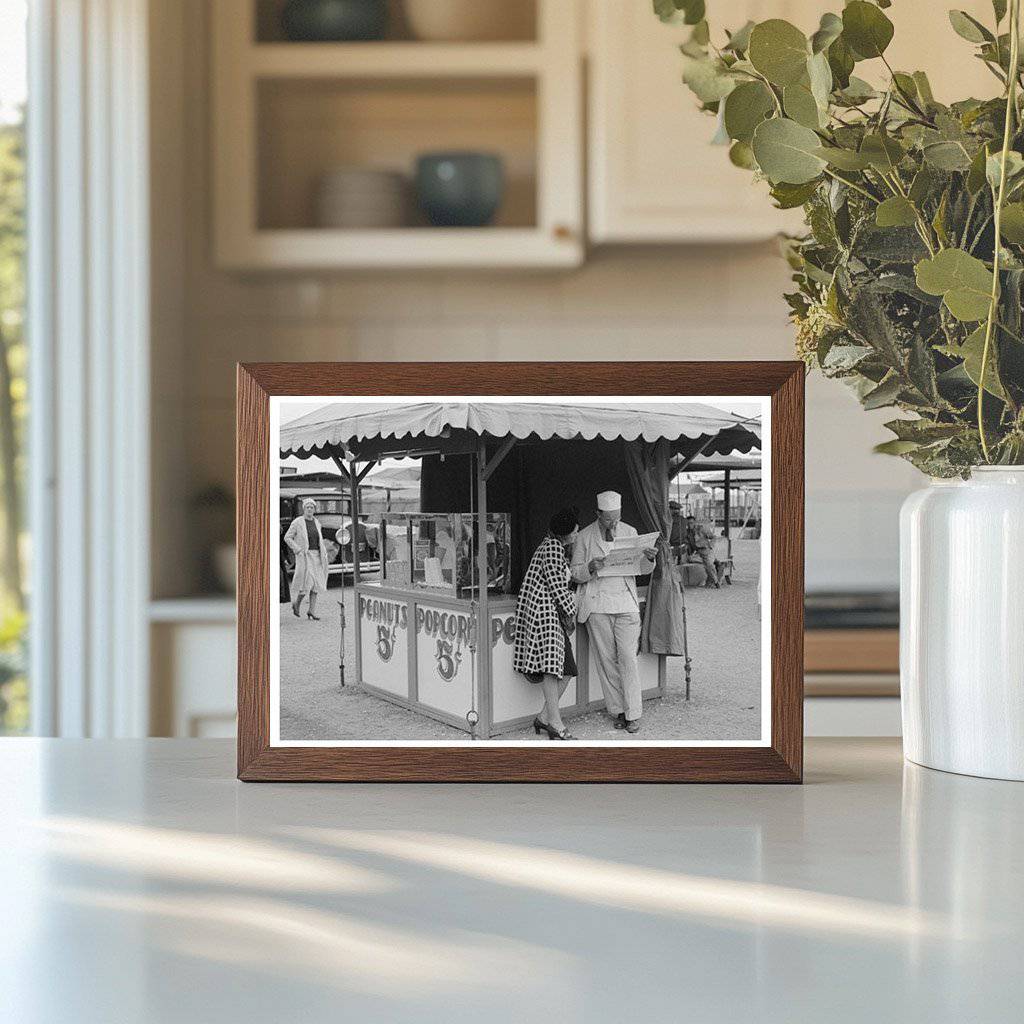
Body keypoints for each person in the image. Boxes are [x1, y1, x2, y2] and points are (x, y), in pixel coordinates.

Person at [570, 491, 657, 735]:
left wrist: (650, 559)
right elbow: (574, 573)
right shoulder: (585, 536)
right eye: (608, 519)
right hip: (598, 606)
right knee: (607, 660)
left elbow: (642, 569)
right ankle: (618, 710)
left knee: (628, 658)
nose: (613, 524)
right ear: (598, 514)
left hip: (626, 604)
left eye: (616, 518)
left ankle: (634, 714)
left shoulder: (630, 532)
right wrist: (589, 567)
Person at [513, 507, 580, 740]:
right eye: (575, 528)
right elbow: (557, 587)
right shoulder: (553, 548)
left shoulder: (549, 545)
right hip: (547, 615)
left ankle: (543, 718)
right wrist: (572, 611)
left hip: (545, 614)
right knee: (554, 670)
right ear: (569, 532)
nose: (578, 531)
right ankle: (555, 723)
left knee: (568, 669)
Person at [284, 498, 329, 620]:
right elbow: (287, 537)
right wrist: (297, 549)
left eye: (312, 507)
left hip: (317, 556)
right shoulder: (298, 522)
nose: (309, 509)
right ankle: (296, 603)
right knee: (307, 582)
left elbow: (319, 539)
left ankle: (311, 610)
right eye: (307, 507)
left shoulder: (317, 522)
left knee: (317, 583)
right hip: (305, 556)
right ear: (304, 509)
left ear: (315, 509)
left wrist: (324, 551)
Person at [685, 513, 721, 588]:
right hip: (696, 552)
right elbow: (689, 544)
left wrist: (710, 546)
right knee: (691, 560)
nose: (689, 525)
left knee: (708, 564)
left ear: (694, 522)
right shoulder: (687, 533)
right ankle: (715, 564)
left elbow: (713, 537)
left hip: (705, 550)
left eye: (691, 523)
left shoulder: (701, 529)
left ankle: (716, 581)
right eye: (688, 523)